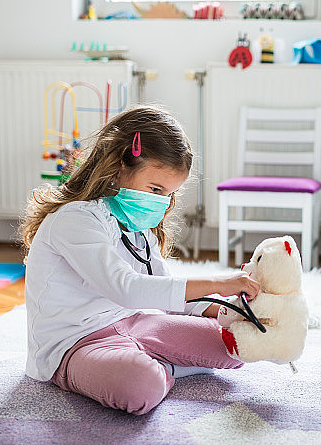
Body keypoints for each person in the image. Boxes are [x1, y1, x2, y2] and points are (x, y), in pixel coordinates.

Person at [19, 105, 259, 415]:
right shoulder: (74, 219)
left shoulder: (132, 224)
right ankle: (157, 368)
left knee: (238, 344)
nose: (160, 202)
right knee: (141, 386)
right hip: (75, 345)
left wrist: (222, 310)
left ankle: (156, 362)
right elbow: (127, 289)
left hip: (134, 324)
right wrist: (218, 282)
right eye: (155, 188)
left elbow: (163, 289)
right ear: (119, 166)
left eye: (168, 194)